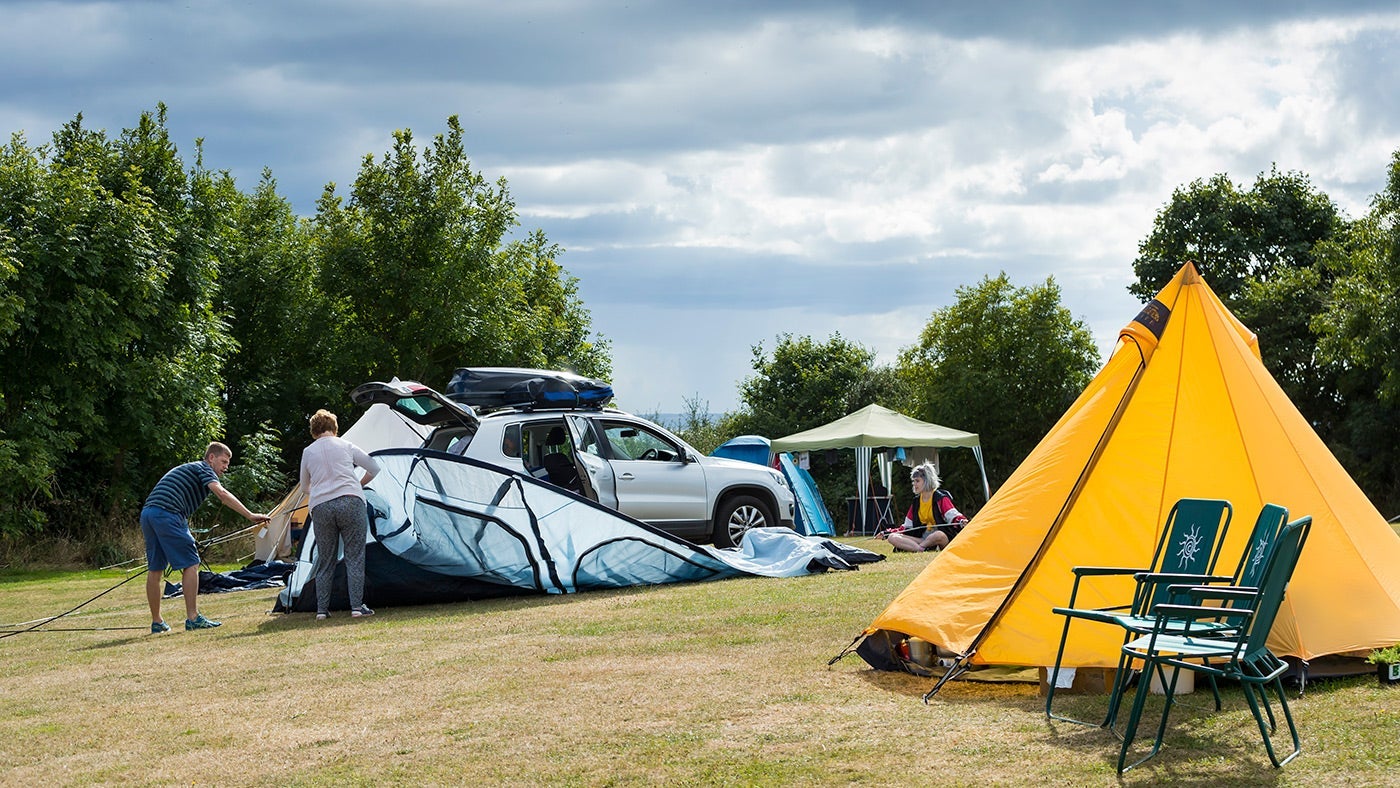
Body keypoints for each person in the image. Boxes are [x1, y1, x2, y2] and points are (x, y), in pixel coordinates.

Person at [142, 442, 271, 633]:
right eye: (223, 462)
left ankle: (157, 622)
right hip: (168, 514)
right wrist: (250, 515)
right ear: (211, 458)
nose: (226, 467)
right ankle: (193, 618)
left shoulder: (191, 468)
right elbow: (222, 494)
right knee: (191, 563)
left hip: (148, 513)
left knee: (155, 569)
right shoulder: (204, 468)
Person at [300, 409, 381, 620]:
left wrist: (320, 490)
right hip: (350, 501)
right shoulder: (346, 445)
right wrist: (358, 484)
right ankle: (356, 607)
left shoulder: (308, 452)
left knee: (325, 559)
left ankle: (321, 610)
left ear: (314, 430)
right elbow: (374, 467)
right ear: (334, 428)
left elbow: (304, 486)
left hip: (321, 507)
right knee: (354, 557)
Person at [878, 462, 969, 553]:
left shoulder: (940, 498)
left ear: (927, 481)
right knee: (892, 537)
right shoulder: (916, 502)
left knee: (938, 535)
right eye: (913, 481)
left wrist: (961, 521)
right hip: (922, 539)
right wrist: (887, 533)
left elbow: (954, 516)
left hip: (940, 537)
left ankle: (917, 547)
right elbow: (906, 527)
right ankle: (921, 548)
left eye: (917, 481)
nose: (914, 484)